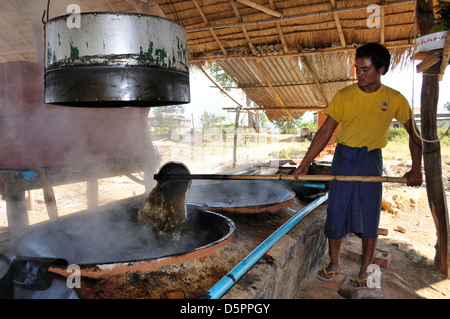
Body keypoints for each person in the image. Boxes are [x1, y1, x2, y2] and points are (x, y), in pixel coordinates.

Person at [293, 43, 423, 287]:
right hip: (343, 159)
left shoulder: (394, 99)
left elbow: (415, 136)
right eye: (357, 68)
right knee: (337, 210)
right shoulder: (345, 96)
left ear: (381, 69)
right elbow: (325, 131)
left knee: (370, 214)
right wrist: (305, 163)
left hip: (371, 160)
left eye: (365, 69)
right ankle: (334, 264)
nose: (358, 74)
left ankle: (364, 270)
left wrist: (416, 169)